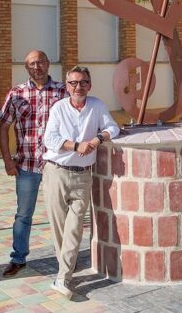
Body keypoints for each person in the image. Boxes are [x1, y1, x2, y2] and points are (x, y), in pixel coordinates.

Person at [43, 66, 120, 300]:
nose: (78, 87)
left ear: (90, 85)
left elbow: (113, 128)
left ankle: (63, 277)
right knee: (59, 227)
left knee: (74, 228)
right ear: (67, 86)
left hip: (83, 175)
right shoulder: (59, 108)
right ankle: (65, 268)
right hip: (56, 172)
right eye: (74, 83)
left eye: (83, 82)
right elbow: (50, 139)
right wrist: (76, 146)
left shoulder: (97, 105)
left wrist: (96, 140)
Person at [0, 50, 68, 278]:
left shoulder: (63, 91)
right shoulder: (17, 93)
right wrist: (7, 160)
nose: (36, 67)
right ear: (26, 68)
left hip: (55, 165)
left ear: (48, 63)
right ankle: (18, 258)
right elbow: (3, 126)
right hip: (26, 166)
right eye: (31, 64)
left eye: (40, 62)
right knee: (23, 215)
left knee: (59, 213)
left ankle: (65, 259)